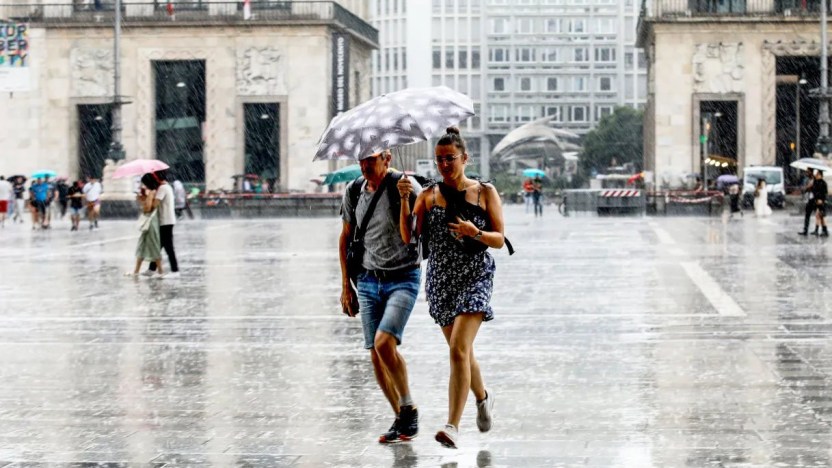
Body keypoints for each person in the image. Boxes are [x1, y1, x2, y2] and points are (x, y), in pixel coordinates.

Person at [398, 127, 503, 449]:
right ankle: (482, 398)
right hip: (441, 281)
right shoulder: (428, 195)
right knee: (462, 352)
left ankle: (452, 426)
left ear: (465, 158)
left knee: (458, 349)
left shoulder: (484, 192)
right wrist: (405, 199)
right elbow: (409, 237)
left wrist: (476, 232)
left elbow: (499, 240)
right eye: (440, 159)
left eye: (450, 158)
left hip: (474, 276)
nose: (445, 164)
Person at [339, 149, 422, 444]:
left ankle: (408, 407)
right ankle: (401, 418)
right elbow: (346, 237)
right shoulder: (352, 191)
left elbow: (410, 236)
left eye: (371, 159)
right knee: (376, 356)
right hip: (367, 280)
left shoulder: (408, 187)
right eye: (361, 160)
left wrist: (403, 199)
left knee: (384, 342)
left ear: (386, 158)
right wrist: (346, 286)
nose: (365, 165)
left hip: (403, 278)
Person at [145, 170, 179, 278]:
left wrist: (150, 195)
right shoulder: (167, 187)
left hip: (165, 221)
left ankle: (175, 270)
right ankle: (151, 269)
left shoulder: (162, 188)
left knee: (168, 247)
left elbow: (155, 205)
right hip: (166, 220)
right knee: (158, 245)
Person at [128, 174, 163, 276]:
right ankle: (136, 270)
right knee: (142, 245)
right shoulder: (151, 192)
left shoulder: (152, 192)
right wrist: (142, 199)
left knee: (153, 245)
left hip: (151, 222)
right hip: (150, 221)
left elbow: (147, 208)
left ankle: (160, 271)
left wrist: (143, 200)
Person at [799, 168, 816, 236]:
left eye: (808, 172)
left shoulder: (814, 179)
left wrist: (807, 188)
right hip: (809, 199)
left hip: (814, 199)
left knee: (819, 215)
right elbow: (806, 188)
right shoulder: (808, 179)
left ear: (811, 172)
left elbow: (809, 188)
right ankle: (805, 230)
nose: (806, 173)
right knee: (807, 215)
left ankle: (823, 229)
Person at [811, 169, 828, 237]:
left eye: (818, 174)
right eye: (816, 174)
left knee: (819, 216)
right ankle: (823, 230)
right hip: (817, 201)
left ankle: (819, 230)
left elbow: (824, 193)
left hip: (821, 202)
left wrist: (822, 200)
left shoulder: (823, 183)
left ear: (821, 175)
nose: (816, 175)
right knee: (820, 216)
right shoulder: (816, 182)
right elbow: (814, 191)